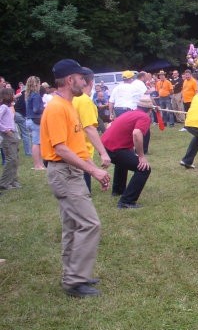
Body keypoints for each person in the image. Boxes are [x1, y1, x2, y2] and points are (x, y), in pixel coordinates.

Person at [40, 59, 111, 297]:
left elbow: (76, 146)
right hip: (64, 173)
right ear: (70, 80)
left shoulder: (69, 105)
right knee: (90, 223)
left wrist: (92, 167)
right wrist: (93, 171)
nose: (85, 81)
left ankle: (73, 275)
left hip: (71, 172)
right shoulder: (57, 107)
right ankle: (75, 280)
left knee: (72, 226)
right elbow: (60, 148)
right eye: (81, 78)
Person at [101, 95, 153, 208]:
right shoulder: (144, 117)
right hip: (114, 149)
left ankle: (118, 191)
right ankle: (126, 201)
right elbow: (136, 133)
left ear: (138, 106)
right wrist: (141, 156)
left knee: (123, 160)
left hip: (104, 147)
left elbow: (110, 125)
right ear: (150, 110)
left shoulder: (129, 113)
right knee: (144, 169)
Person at [72, 67, 111, 192]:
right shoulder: (84, 100)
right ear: (91, 82)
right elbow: (89, 128)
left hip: (74, 151)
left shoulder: (73, 98)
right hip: (82, 151)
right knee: (82, 195)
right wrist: (103, 153)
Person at [0, 87, 20, 191]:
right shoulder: (3, 107)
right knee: (11, 159)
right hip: (8, 136)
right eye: (12, 94)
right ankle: (4, 183)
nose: (13, 96)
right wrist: (5, 130)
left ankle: (13, 181)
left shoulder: (8, 107)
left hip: (13, 135)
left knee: (15, 159)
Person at [25, 75, 46, 170]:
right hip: (35, 120)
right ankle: (38, 165)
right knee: (37, 143)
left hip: (29, 120)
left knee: (36, 142)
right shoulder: (36, 95)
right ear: (36, 84)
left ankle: (39, 164)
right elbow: (36, 109)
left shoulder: (28, 95)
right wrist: (44, 108)